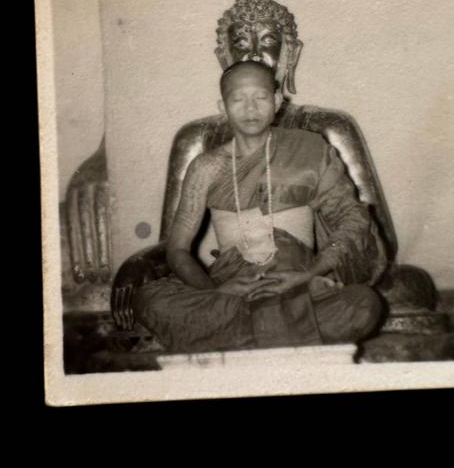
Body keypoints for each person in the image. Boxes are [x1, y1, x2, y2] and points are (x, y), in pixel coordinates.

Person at [133, 60, 388, 352]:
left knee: (364, 304)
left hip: (297, 277)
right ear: (223, 106)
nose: (250, 108)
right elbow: (177, 248)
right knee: (148, 300)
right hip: (234, 286)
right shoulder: (206, 167)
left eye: (261, 97)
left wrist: (309, 274)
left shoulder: (311, 149)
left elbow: (352, 219)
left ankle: (244, 338)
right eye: (238, 99)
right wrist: (217, 291)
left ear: (277, 101)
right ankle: (291, 330)